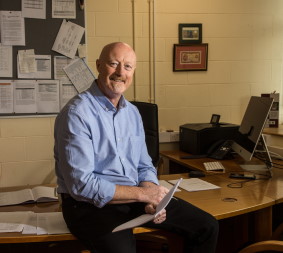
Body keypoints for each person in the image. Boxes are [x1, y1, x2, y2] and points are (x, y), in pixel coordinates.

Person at [54, 42, 219, 253]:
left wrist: (153, 195)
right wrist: (143, 196)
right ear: (98, 65)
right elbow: (81, 185)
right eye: (113, 64)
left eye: (128, 67)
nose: (120, 72)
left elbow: (144, 164)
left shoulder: (132, 113)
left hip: (134, 197)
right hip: (88, 207)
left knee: (207, 226)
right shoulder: (77, 113)